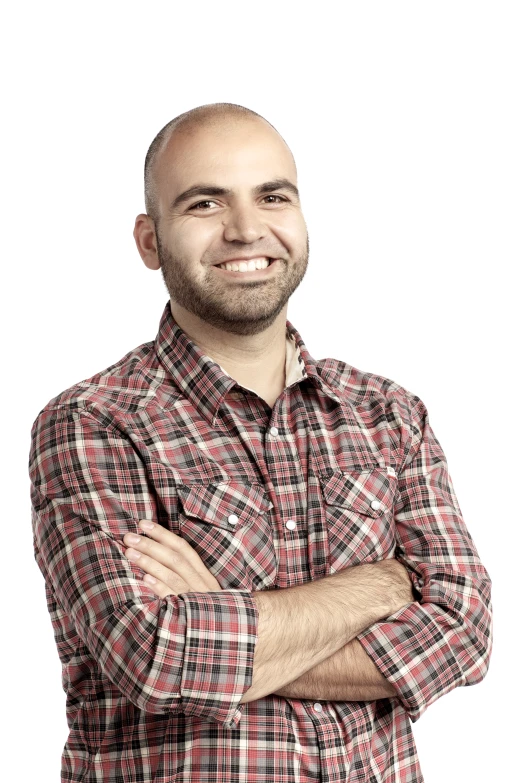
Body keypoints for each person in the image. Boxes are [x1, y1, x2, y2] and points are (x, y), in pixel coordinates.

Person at [29, 102, 493, 783]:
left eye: (272, 196)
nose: (247, 229)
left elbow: (464, 633)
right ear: (149, 240)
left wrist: (220, 613)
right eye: (205, 203)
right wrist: (381, 585)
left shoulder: (389, 414)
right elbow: (157, 661)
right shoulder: (94, 422)